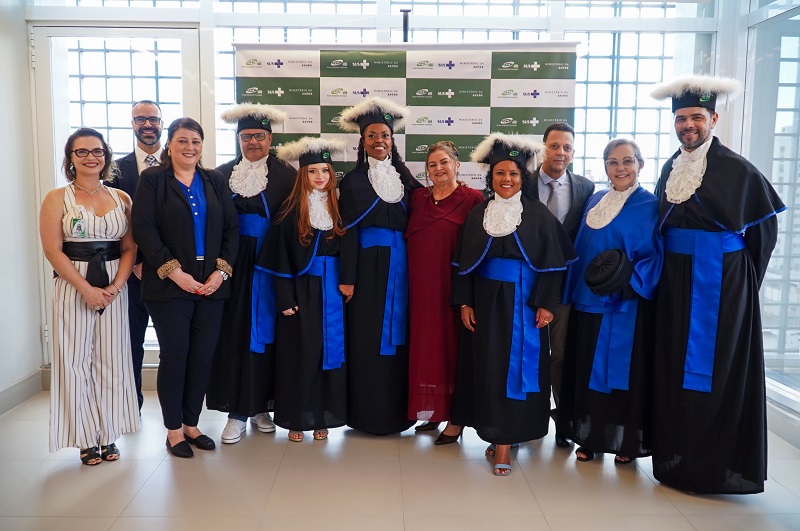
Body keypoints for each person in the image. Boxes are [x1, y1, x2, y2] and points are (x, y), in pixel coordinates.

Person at [649, 76, 785, 494]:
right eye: (681, 118)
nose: (688, 125)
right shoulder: (670, 167)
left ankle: (713, 467)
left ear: (713, 119)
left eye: (696, 117)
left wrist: (740, 285)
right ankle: (675, 460)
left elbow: (763, 233)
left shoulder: (738, 169)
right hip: (673, 283)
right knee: (674, 366)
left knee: (716, 371)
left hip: (721, 285)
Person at [451, 133, 576, 476]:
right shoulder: (478, 214)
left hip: (525, 304)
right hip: (485, 303)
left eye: (514, 174)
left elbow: (553, 265)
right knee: (490, 367)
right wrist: (464, 303)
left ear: (523, 177)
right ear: (490, 177)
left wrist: (546, 304)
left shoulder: (538, 214)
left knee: (517, 369)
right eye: (500, 173)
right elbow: (464, 265)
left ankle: (507, 440)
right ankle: (494, 430)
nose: (507, 179)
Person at [132, 117, 239, 458]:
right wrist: (175, 273)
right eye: (182, 140)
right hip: (169, 286)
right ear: (169, 144)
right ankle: (174, 430)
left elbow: (231, 229)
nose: (189, 147)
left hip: (211, 285)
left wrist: (220, 273)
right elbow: (144, 229)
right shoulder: (153, 180)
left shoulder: (215, 180)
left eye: (195, 141)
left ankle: (192, 424)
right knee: (176, 355)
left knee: (202, 356)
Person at [556, 138, 663, 464]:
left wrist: (625, 279)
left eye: (628, 161)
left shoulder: (651, 205)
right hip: (587, 302)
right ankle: (590, 438)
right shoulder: (595, 200)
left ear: (640, 165)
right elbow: (580, 246)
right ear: (605, 167)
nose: (621, 168)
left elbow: (658, 253)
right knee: (586, 370)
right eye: (613, 162)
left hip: (625, 303)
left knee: (621, 376)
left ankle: (625, 441)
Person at [40, 128, 139, 465]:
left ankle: (108, 434)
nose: (90, 157)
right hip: (73, 285)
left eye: (97, 151)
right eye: (81, 152)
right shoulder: (57, 198)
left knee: (112, 361)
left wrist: (115, 287)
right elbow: (53, 250)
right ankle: (84, 438)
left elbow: (130, 248)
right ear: (70, 158)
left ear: (105, 156)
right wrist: (85, 289)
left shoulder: (122, 198)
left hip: (113, 286)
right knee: (75, 362)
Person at [205, 104, 297, 444]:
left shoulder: (287, 175)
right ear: (238, 139)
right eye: (246, 136)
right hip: (230, 265)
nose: (253, 142)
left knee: (267, 337)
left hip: (272, 265)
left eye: (259, 136)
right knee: (234, 334)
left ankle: (260, 406)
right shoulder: (220, 175)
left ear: (270, 139)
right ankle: (237, 412)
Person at [337, 97, 423, 435]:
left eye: (384, 135)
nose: (378, 141)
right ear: (362, 141)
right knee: (367, 338)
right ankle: (365, 414)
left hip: (403, 270)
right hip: (367, 272)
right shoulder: (352, 181)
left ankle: (398, 415)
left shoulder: (406, 179)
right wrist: (348, 277)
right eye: (371, 135)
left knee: (401, 340)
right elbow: (347, 232)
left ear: (392, 140)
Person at [257, 137, 348, 442]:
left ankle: (321, 416)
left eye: (324, 170)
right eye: (312, 171)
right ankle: (297, 418)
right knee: (300, 355)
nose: (319, 176)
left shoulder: (338, 208)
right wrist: (285, 297)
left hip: (332, 292)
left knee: (328, 354)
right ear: (303, 175)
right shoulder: (290, 210)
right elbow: (278, 258)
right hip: (301, 290)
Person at [405, 141, 483, 442]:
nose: (438, 169)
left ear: (457, 165)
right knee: (426, 352)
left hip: (452, 291)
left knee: (452, 351)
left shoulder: (473, 198)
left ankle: (455, 418)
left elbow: (477, 248)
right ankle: (433, 411)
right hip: (420, 290)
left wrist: (468, 296)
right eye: (432, 164)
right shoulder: (418, 198)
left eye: (444, 162)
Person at [529, 122, 594, 448]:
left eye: (567, 147)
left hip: (566, 286)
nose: (560, 152)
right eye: (554, 146)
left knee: (562, 355)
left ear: (573, 152)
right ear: (543, 148)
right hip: (527, 285)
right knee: (527, 353)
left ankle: (563, 421)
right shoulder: (522, 182)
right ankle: (524, 419)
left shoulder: (586, 187)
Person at [108, 100, 164, 412]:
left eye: (152, 119)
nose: (147, 125)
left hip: (173, 273)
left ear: (161, 123)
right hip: (131, 274)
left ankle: (177, 411)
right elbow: (115, 224)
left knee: (175, 345)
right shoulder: (115, 170)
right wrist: (136, 263)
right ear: (132, 124)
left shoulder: (182, 164)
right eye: (140, 119)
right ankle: (131, 406)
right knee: (130, 343)